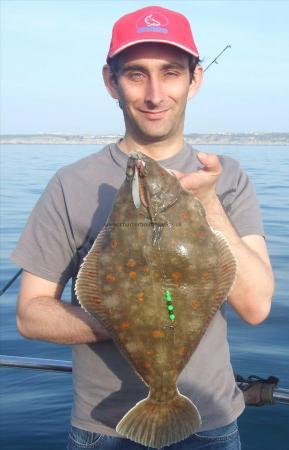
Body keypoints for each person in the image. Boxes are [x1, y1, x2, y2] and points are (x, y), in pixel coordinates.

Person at [11, 5, 274, 450]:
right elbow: (29, 313)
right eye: (136, 74)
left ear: (195, 79)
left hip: (210, 425)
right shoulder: (69, 184)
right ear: (110, 81)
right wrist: (132, 321)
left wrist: (208, 204)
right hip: (101, 430)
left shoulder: (227, 179)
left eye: (170, 72)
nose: (155, 94)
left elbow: (254, 307)